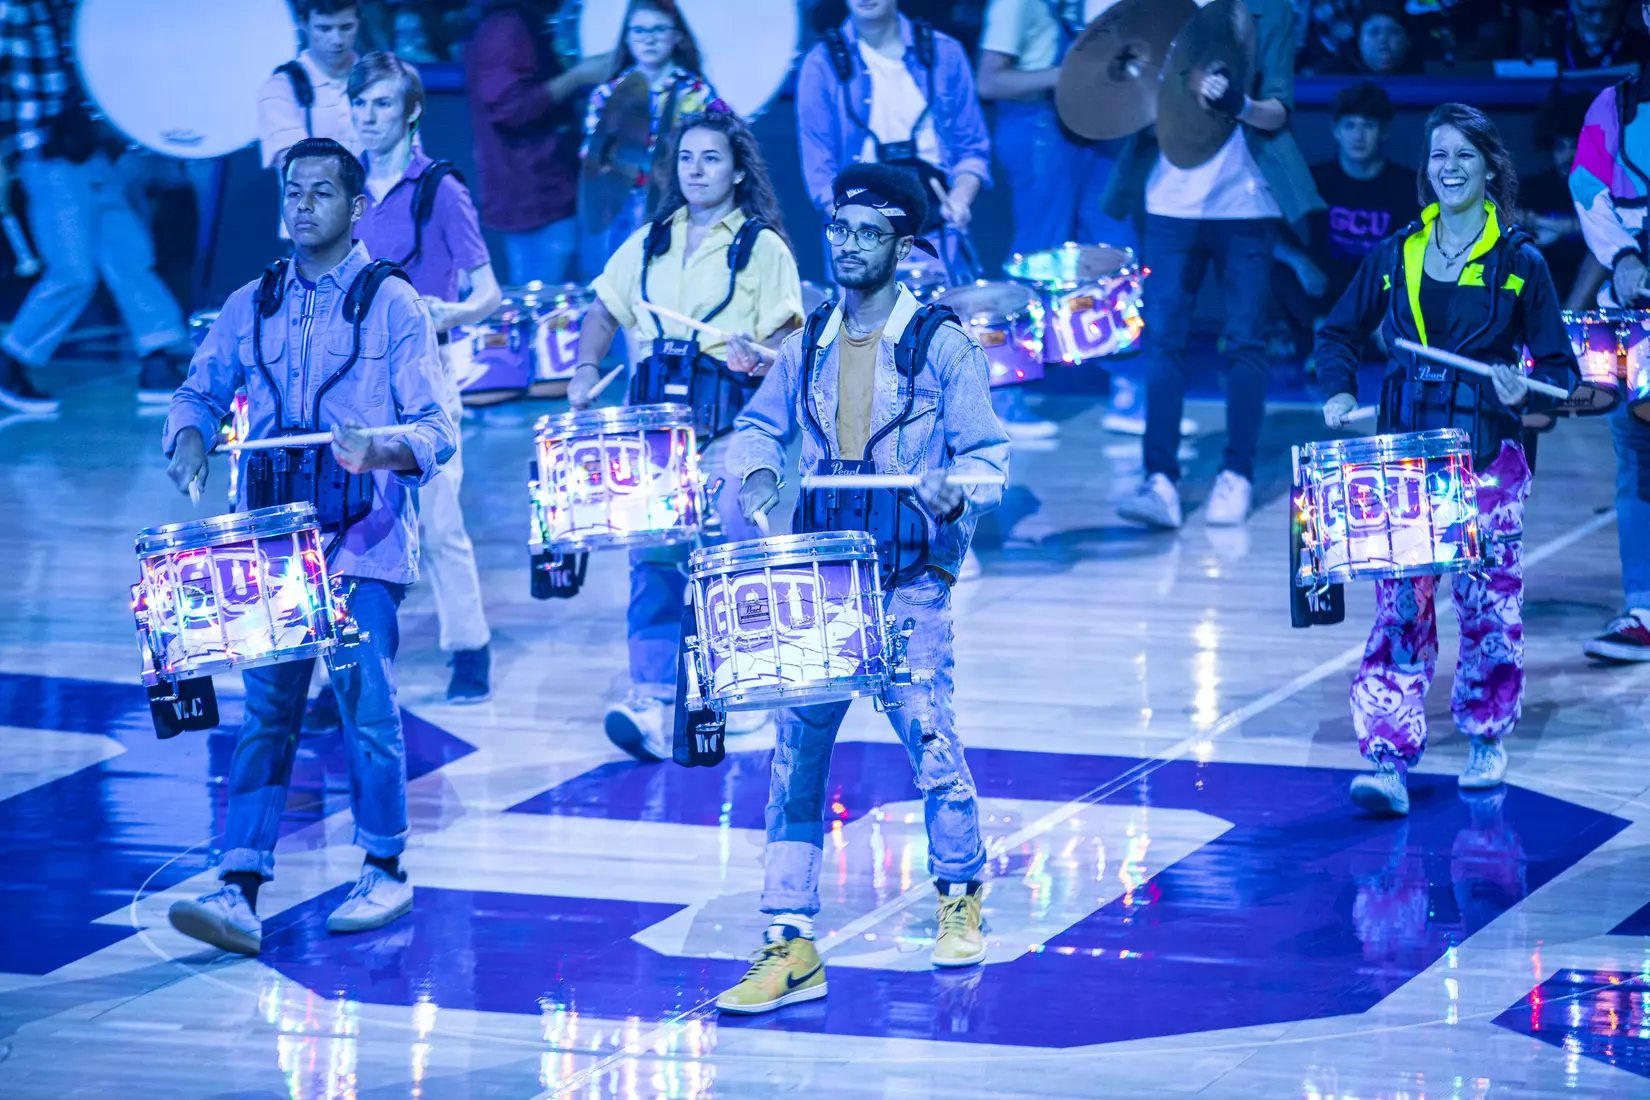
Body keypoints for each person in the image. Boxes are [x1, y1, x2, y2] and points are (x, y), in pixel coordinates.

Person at [714, 163, 1009, 1015]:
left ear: (903, 246)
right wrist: (763, 472)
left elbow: (988, 457)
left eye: (866, 234)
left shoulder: (940, 344)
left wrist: (957, 487)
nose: (846, 247)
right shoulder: (808, 338)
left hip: (908, 577)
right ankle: (788, 941)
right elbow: (760, 428)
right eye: (838, 231)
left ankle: (959, 892)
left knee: (930, 740)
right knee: (795, 758)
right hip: (823, 577)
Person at [161, 137, 456, 953]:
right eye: (294, 190)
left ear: (357, 208)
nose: (304, 204)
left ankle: (386, 867)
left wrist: (378, 447)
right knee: (268, 709)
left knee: (366, 703)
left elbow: (437, 430)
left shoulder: (394, 303)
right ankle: (239, 884)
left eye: (323, 192)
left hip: (363, 538)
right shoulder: (249, 303)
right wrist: (188, 435)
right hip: (273, 543)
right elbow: (199, 389)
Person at [1315, 104, 1577, 816]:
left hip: (1488, 461)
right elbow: (1337, 332)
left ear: (1491, 165)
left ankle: (1488, 735)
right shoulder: (1399, 252)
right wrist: (1338, 391)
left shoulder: (1521, 261)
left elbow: (1560, 376)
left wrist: (1524, 386)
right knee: (1400, 609)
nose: (1449, 168)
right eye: (1438, 156)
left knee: (1487, 610)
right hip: (1404, 463)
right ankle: (1386, 756)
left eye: (1464, 155)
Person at [567, 107, 804, 760]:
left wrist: (761, 351)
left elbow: (792, 335)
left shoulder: (762, 248)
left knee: (732, 543)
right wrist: (587, 368)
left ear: (735, 171)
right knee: (653, 562)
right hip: (657, 434)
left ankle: (753, 693)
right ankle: (652, 697)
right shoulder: (650, 240)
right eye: (687, 159)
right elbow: (603, 309)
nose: (697, 170)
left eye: (711, 159)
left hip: (733, 424)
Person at [1110, 0, 1323, 530]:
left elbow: (1278, 110)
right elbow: (1123, 95)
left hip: (1245, 203)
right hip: (1167, 204)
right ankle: (1159, 479)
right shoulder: (1155, 12)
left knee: (1246, 340)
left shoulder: (1270, 13)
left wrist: (1238, 103)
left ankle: (1238, 473)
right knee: (1163, 339)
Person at [351, 50, 498, 703]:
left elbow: (489, 290)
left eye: (382, 104)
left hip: (424, 371)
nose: (368, 116)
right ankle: (353, 661)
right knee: (350, 523)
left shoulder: (440, 189)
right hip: (353, 376)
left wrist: (454, 309)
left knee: (438, 522)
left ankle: (471, 649)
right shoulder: (341, 184)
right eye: (360, 104)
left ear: (411, 111)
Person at [0, 0, 194, 414]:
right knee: (73, 271)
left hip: (90, 150)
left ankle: (156, 358)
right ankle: (11, 360)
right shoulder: (19, 12)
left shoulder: (80, 10)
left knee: (129, 253)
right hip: (47, 155)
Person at [1570, 50, 1650, 660]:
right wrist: (1623, 255)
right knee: (1638, 456)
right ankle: (1642, 608)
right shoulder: (1614, 105)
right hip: (1635, 318)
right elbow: (1585, 183)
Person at [466, 0, 609, 287]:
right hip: (534, 196)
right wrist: (577, 76)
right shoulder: (507, 28)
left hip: (549, 191)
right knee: (544, 309)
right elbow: (510, 109)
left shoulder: (518, 22)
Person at [976, 0, 1134, 257]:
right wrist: (1064, 75)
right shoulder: (1015, 5)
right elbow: (987, 82)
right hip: (1038, 129)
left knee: (1113, 247)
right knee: (1046, 249)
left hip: (1093, 128)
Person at [578, 0, 716, 280]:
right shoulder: (607, 94)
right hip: (621, 206)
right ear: (627, 38)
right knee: (622, 288)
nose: (649, 38)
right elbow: (592, 155)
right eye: (639, 31)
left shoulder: (697, 93)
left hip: (681, 207)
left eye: (658, 30)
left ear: (676, 36)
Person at [1274, 82, 1415, 353]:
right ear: (1336, 131)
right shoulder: (1315, 179)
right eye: (1350, 126)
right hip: (1324, 289)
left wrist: (1393, 306)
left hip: (1378, 291)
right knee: (1269, 258)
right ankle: (1322, 332)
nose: (1358, 136)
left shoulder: (1406, 185)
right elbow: (1263, 224)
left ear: (1383, 131)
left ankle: (1347, 340)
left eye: (1368, 126)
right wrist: (1300, 262)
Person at [258, 1, 365, 174]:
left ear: (359, 23)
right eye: (324, 29)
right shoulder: (280, 88)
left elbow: (410, 158)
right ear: (303, 25)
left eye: (346, 27)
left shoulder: (383, 81)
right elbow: (298, 169)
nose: (337, 40)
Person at [1518, 88, 1601, 310]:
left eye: (1574, 146)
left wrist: (1560, 227)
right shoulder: (1534, 186)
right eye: (1560, 148)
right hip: (1544, 278)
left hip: (1590, 285)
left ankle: (1566, 328)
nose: (1567, 156)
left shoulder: (1601, 186)